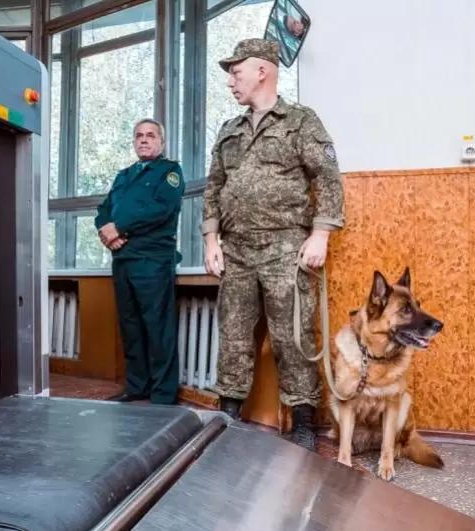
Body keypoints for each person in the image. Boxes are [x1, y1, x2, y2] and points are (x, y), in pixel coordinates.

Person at [202, 39, 345, 451]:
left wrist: (320, 234)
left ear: (262, 71)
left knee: (292, 337)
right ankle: (228, 415)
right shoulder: (229, 130)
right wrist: (211, 240)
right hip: (236, 249)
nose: (231, 81)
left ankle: (303, 422)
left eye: (236, 72)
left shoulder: (300, 121)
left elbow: (327, 178)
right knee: (233, 335)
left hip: (285, 247)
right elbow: (214, 188)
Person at [95, 118, 186, 405]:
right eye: (138, 136)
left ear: (161, 142)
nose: (143, 140)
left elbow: (160, 209)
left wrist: (119, 227)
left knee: (157, 328)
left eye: (150, 135)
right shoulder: (124, 175)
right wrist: (106, 231)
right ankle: (137, 387)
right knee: (130, 326)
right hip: (123, 258)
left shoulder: (169, 172)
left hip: (152, 260)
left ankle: (162, 395)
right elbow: (104, 209)